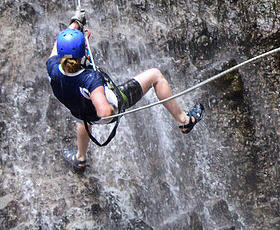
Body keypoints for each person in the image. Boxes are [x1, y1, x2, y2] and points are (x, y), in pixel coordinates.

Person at [46, 10, 203, 173]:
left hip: (79, 113)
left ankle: (80, 158)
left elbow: (58, 45)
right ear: (83, 52)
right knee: (155, 75)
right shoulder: (90, 80)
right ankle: (184, 121)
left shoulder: (52, 68)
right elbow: (105, 112)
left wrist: (75, 23)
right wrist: (109, 103)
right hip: (106, 112)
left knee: (82, 111)